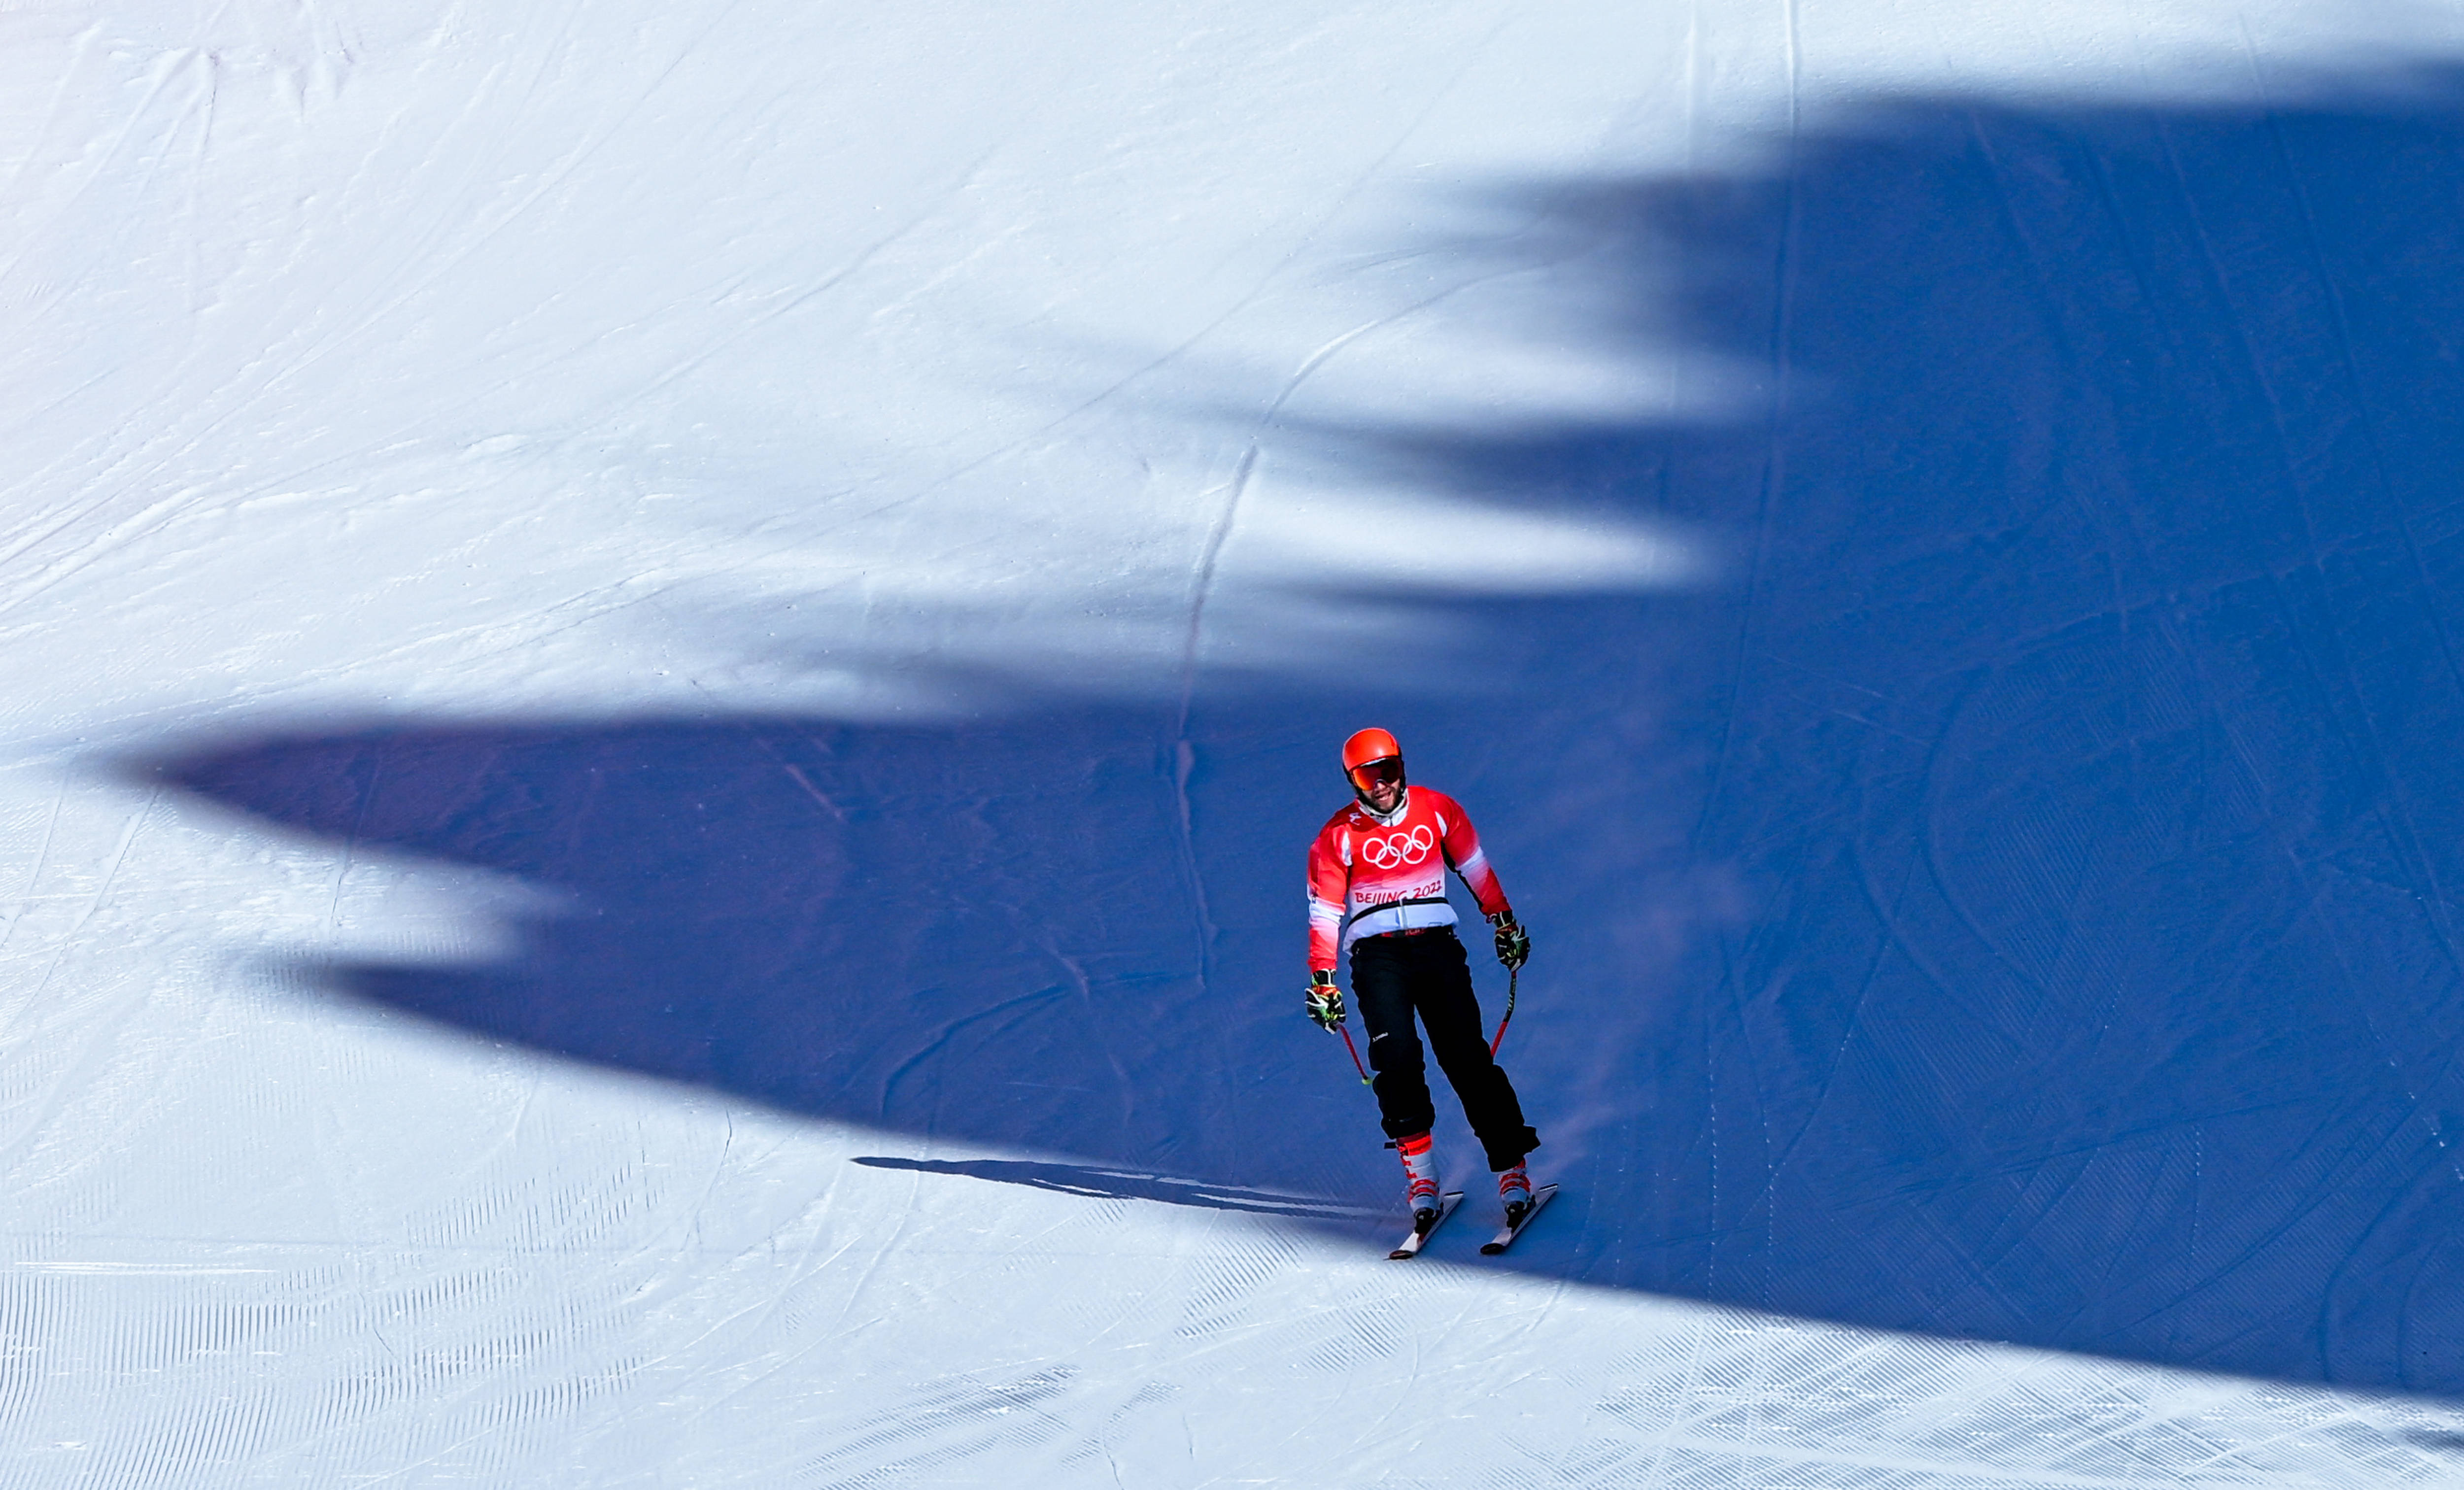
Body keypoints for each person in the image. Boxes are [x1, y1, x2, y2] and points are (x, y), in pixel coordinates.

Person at [1304, 727, 1538, 1231]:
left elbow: (1475, 869)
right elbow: (1324, 912)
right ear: (1353, 781)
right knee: (1397, 1061)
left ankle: (1511, 1169)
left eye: (1388, 770)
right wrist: (1322, 978)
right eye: (1369, 776)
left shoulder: (1438, 810)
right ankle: (1423, 1180)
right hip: (1377, 957)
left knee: (1466, 1058)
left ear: (1401, 766)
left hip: (1436, 948)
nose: (1382, 783)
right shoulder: (1336, 837)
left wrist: (1503, 922)